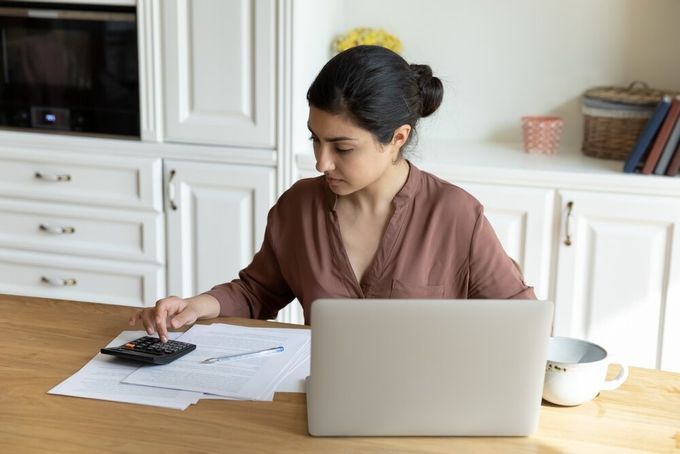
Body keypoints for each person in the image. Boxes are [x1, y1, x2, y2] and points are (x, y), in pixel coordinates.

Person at [130, 45, 535, 342]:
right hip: (320, 401)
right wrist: (196, 306)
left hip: (424, 410)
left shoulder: (454, 214)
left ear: (397, 138)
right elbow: (258, 292)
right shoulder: (298, 207)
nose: (321, 163)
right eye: (315, 141)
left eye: (342, 148)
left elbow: (524, 324)